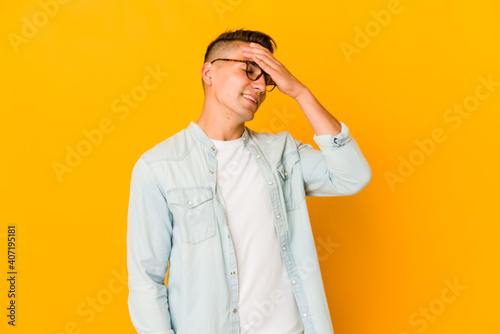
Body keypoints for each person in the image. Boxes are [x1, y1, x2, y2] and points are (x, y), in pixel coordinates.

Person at [127, 29, 371, 334]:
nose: (260, 85)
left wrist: (300, 92)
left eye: (267, 78)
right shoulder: (159, 166)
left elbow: (353, 175)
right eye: (250, 70)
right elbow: (145, 279)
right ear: (209, 73)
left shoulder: (281, 152)